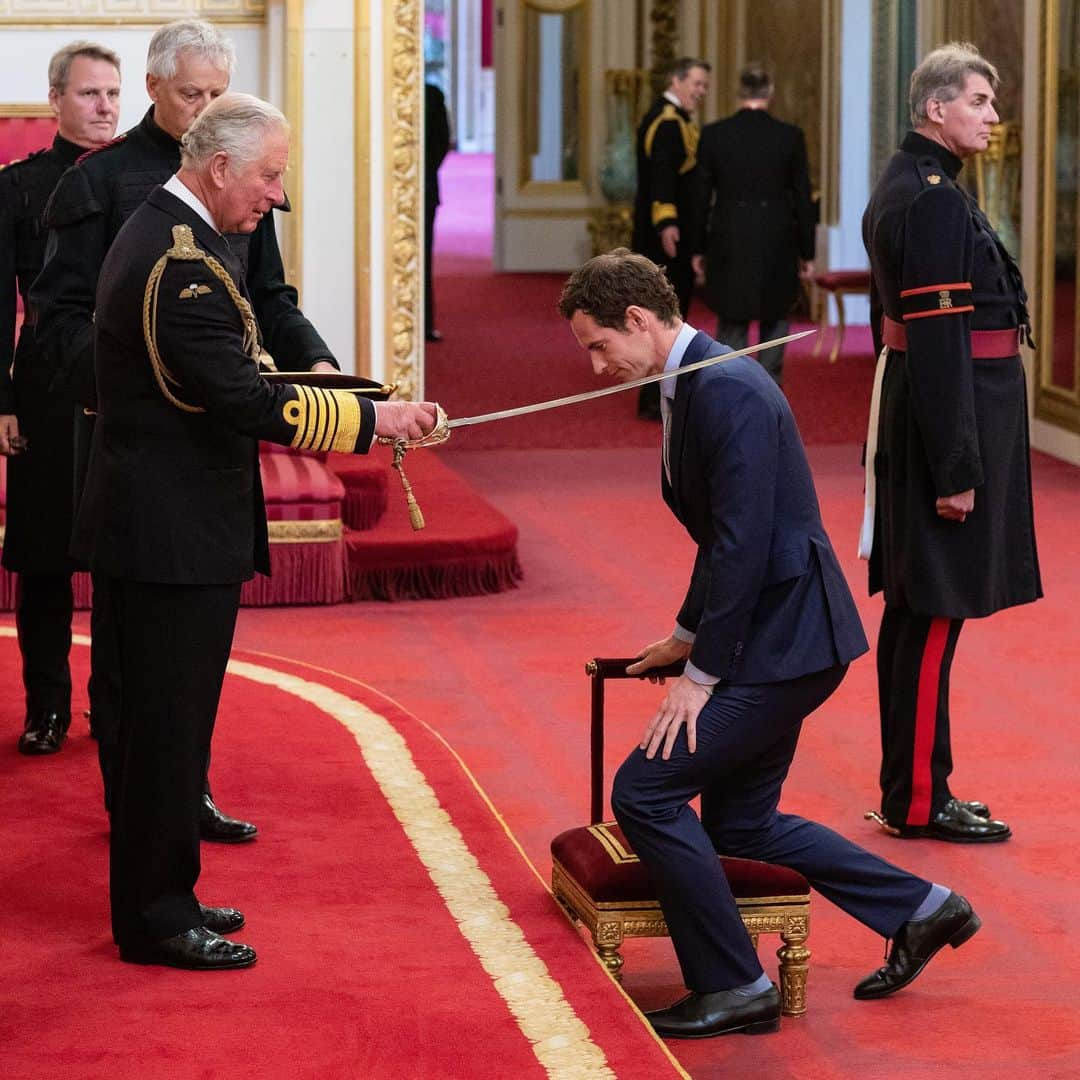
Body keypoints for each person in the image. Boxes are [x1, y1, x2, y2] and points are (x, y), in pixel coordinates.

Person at [558, 249, 980, 1038]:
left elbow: (747, 542)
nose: (595, 364)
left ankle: (735, 983)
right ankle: (924, 909)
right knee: (741, 829)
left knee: (643, 792)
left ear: (641, 322)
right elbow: (722, 538)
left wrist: (703, 673)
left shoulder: (727, 391)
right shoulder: (691, 383)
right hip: (772, 636)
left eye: (599, 344)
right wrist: (685, 636)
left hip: (787, 645)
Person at [74, 93, 437, 969]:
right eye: (270, 175)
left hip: (162, 520)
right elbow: (240, 394)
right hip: (169, 532)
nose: (276, 194)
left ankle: (169, 894)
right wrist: (370, 425)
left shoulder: (183, 238)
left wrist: (365, 401)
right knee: (166, 731)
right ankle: (157, 919)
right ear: (220, 167)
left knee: (170, 729)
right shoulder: (181, 262)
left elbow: (247, 372)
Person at [31, 19, 335, 841]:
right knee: (140, 657)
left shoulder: (238, 184)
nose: (206, 106)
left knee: (185, 662)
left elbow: (270, 299)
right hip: (130, 433)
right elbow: (57, 328)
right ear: (156, 88)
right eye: (194, 93)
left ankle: (175, 793)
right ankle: (139, 806)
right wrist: (151, 389)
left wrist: (325, 375)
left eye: (217, 93)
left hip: (209, 431)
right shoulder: (100, 186)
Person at [861, 43, 1041, 843]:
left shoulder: (916, 183)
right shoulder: (932, 198)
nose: (993, 117)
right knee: (932, 614)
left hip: (933, 411)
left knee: (916, 614)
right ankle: (917, 803)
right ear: (937, 108)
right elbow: (936, 343)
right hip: (953, 420)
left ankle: (916, 789)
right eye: (979, 101)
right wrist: (957, 469)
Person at [0, 42, 121, 756]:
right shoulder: (17, 187)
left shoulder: (141, 179)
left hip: (125, 381)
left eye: (111, 94)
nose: (104, 107)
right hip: (43, 381)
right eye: (88, 95)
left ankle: (112, 707)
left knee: (120, 555)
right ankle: (45, 705)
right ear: (55, 101)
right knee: (44, 556)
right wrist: (1, 399)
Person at [692, 65, 815, 386]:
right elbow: (802, 197)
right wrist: (808, 251)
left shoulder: (714, 135)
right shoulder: (789, 136)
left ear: (739, 92)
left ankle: (731, 386)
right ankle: (770, 387)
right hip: (777, 236)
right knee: (775, 316)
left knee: (732, 316)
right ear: (770, 91)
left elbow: (700, 197)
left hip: (728, 233)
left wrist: (696, 247)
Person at [632, 57, 709, 419]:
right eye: (696, 83)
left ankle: (660, 393)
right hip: (668, 237)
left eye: (704, 85)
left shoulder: (674, 118)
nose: (701, 91)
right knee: (663, 318)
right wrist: (668, 225)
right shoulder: (666, 122)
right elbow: (662, 179)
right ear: (676, 80)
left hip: (673, 233)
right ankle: (654, 399)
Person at [424, 80, 450, 343]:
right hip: (426, 185)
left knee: (422, 259)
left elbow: (442, 142)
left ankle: (425, 321)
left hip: (425, 189)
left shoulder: (432, 94)